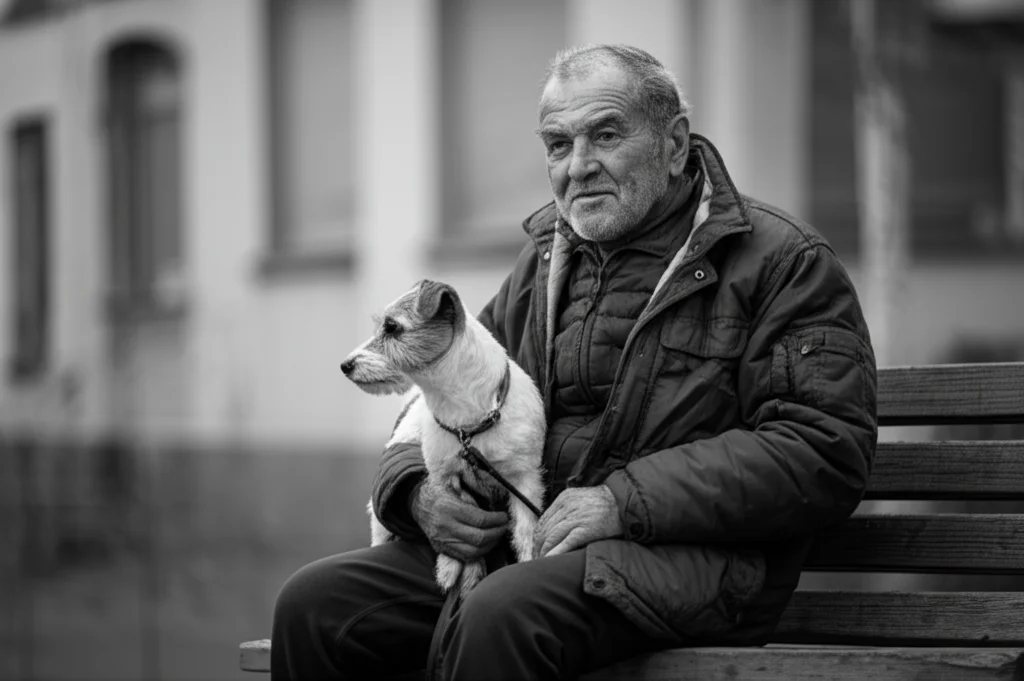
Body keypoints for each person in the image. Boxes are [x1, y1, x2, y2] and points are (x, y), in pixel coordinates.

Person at [271, 44, 878, 681]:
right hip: (533, 547)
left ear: (674, 145)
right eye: (558, 145)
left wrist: (620, 502)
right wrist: (419, 496)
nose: (578, 167)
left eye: (606, 135)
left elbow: (821, 450)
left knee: (502, 611)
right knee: (316, 607)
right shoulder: (543, 262)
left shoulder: (782, 263)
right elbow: (437, 391)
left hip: (690, 562)